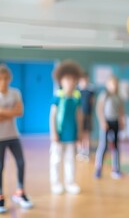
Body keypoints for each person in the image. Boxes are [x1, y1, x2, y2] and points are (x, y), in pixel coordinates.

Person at [0, 64, 33, 213]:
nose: (3, 81)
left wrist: (0, 110)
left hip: (13, 135)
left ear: (10, 79)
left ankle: (20, 192)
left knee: (21, 162)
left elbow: (20, 112)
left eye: (6, 78)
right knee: (0, 166)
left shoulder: (15, 93)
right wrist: (9, 112)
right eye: (0, 79)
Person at [49, 60, 83, 195]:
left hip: (71, 135)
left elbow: (79, 116)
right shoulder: (58, 96)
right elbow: (52, 116)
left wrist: (79, 132)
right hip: (59, 134)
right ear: (61, 80)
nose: (71, 82)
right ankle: (56, 183)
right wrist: (53, 133)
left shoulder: (76, 97)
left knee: (70, 160)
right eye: (67, 79)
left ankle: (70, 183)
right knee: (56, 160)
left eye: (73, 79)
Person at [95, 75, 125, 179]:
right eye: (112, 84)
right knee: (103, 145)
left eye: (116, 84)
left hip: (115, 122)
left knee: (116, 146)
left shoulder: (118, 97)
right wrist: (103, 122)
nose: (114, 86)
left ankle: (115, 169)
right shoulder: (104, 95)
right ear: (107, 84)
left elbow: (121, 110)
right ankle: (98, 168)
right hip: (106, 122)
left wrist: (122, 120)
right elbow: (99, 109)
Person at [77, 73, 95, 162]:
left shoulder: (90, 92)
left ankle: (87, 152)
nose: (84, 82)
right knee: (80, 135)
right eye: (82, 81)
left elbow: (92, 102)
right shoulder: (77, 92)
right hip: (79, 116)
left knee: (87, 135)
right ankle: (80, 151)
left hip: (87, 116)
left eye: (85, 81)